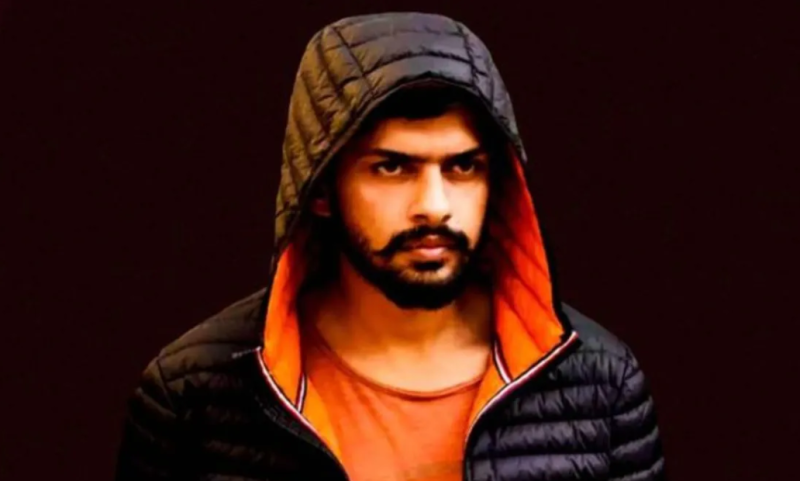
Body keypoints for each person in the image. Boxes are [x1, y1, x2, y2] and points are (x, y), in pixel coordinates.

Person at [114, 11, 667, 481]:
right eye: (392, 167)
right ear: (321, 189)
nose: (434, 206)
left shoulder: (602, 385)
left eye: (463, 167)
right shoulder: (193, 393)